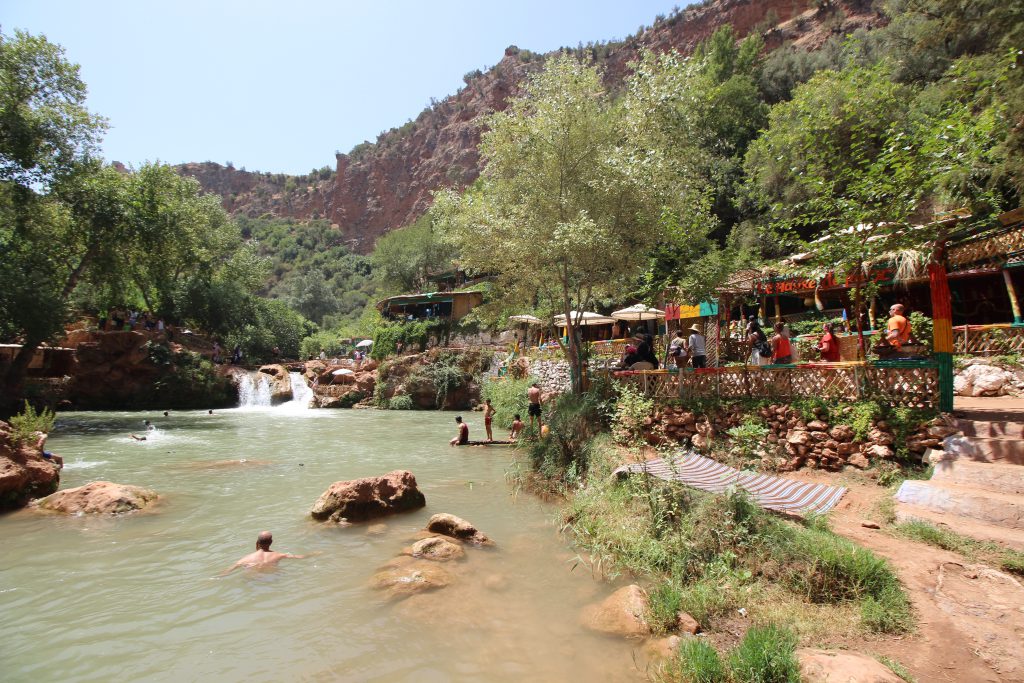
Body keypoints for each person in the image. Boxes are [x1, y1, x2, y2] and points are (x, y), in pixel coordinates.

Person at [221, 531, 308, 575]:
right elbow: (301, 557)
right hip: (271, 577)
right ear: (271, 542)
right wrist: (315, 553)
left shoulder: (246, 558)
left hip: (253, 579)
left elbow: (228, 571)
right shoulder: (279, 555)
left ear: (257, 543)